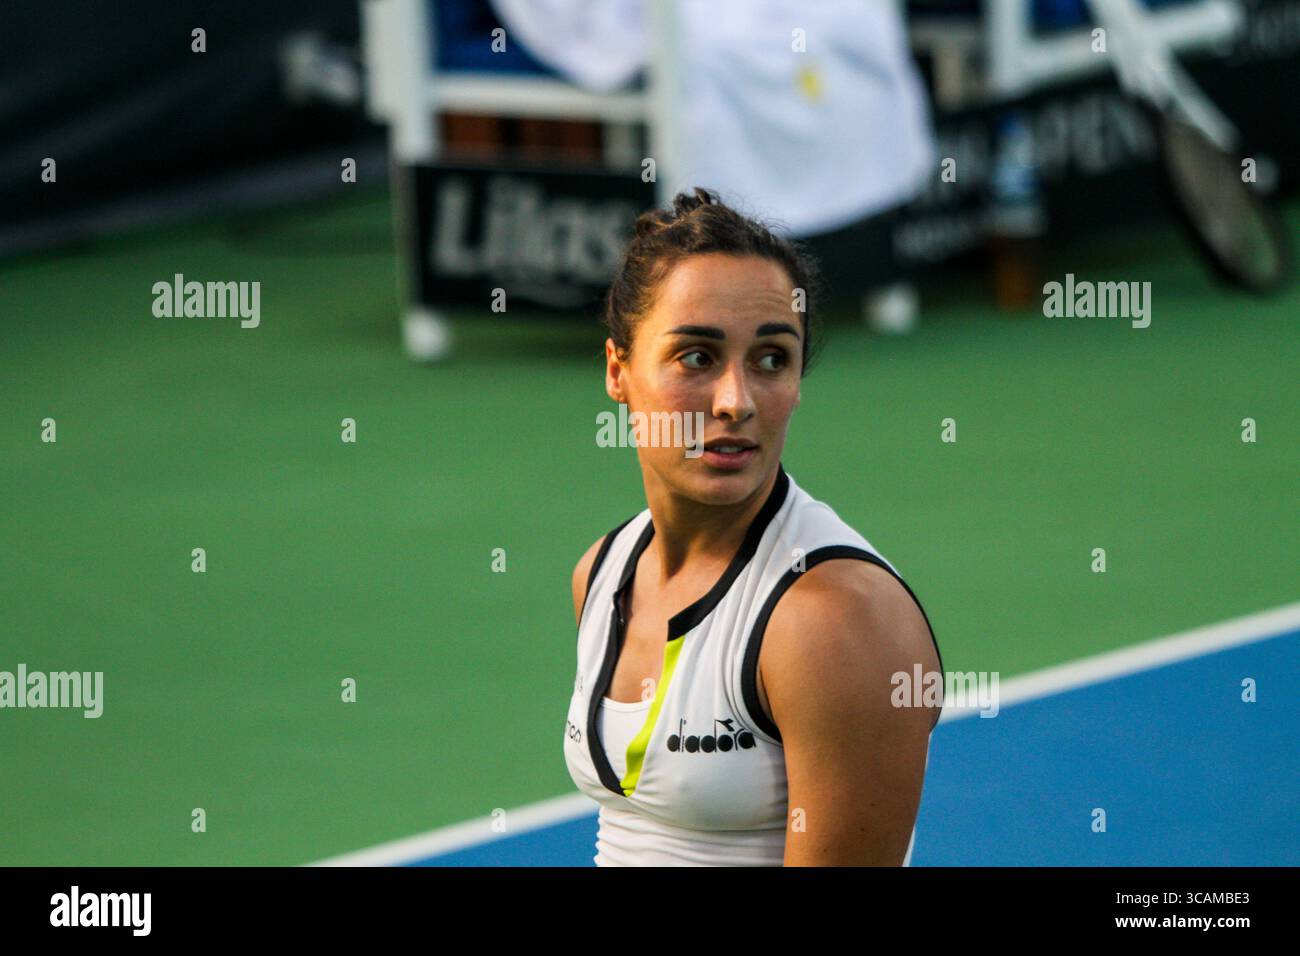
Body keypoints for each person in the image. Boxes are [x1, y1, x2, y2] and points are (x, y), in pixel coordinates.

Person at [563, 187, 944, 866]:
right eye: (697, 358)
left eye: (771, 359)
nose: (736, 401)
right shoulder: (602, 572)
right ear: (618, 371)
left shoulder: (834, 622)